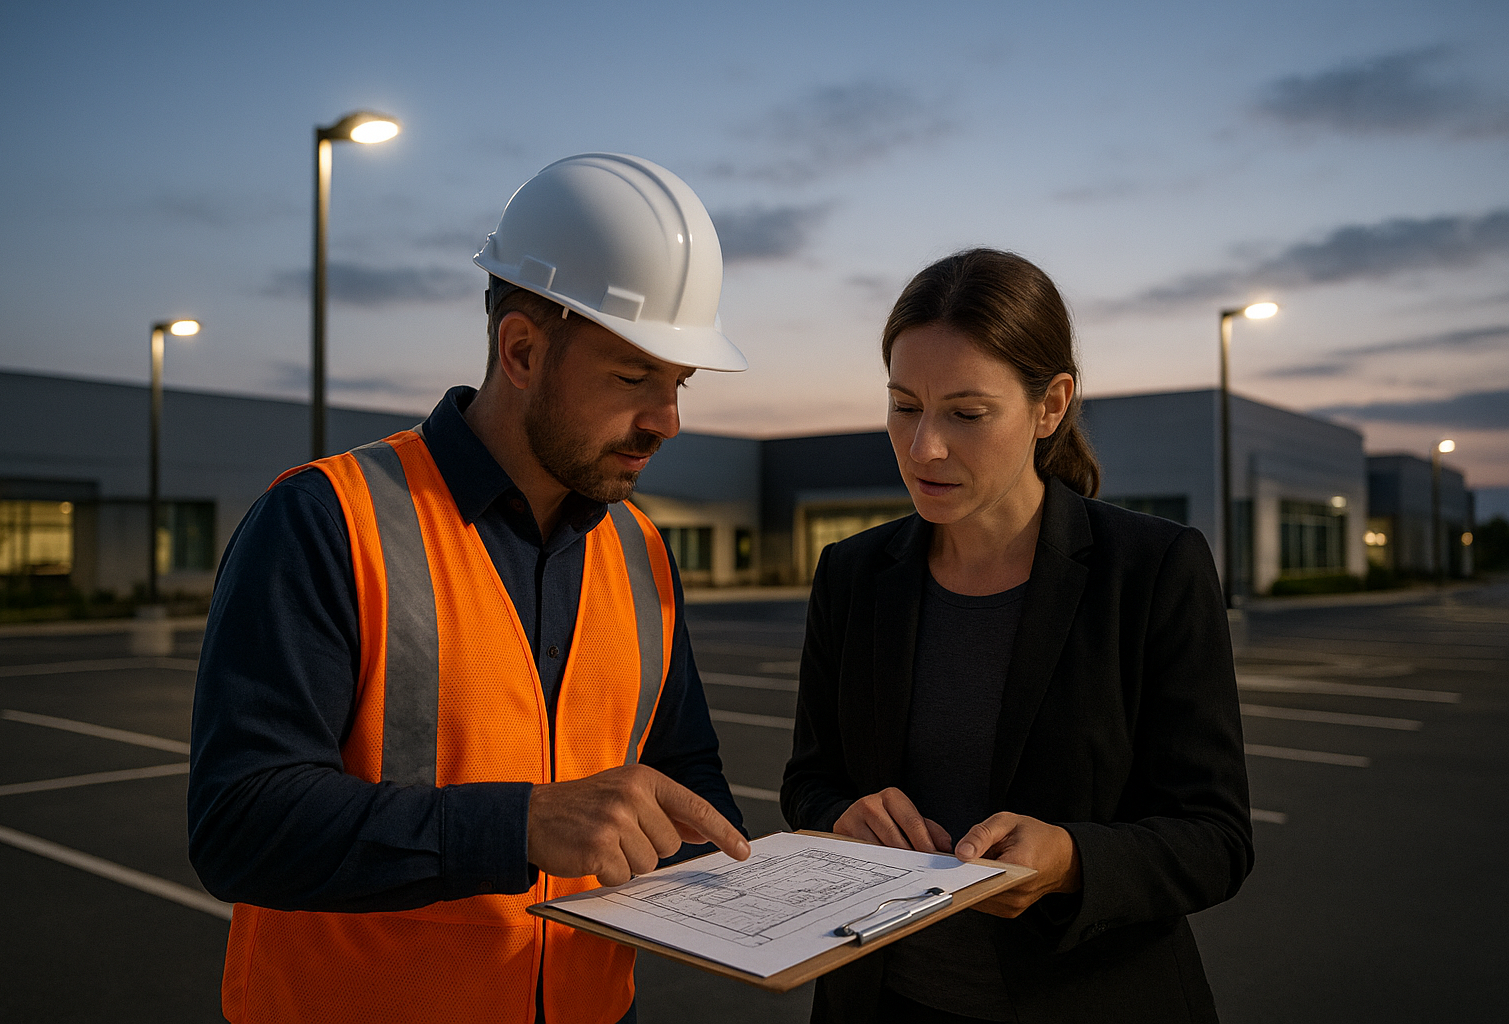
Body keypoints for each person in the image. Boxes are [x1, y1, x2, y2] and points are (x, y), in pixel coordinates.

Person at [188, 153, 752, 1024]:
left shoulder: (640, 550)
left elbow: (686, 784)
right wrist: (519, 825)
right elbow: (241, 824)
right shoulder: (325, 521)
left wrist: (802, 868)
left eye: (678, 385)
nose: (666, 422)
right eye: (634, 378)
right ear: (521, 350)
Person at [780, 249, 1253, 1023]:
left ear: (1051, 404)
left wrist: (1071, 860)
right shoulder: (853, 575)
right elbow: (809, 779)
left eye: (966, 414)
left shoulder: (1152, 569)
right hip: (883, 1000)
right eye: (904, 405)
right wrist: (840, 815)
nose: (923, 446)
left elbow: (1216, 838)